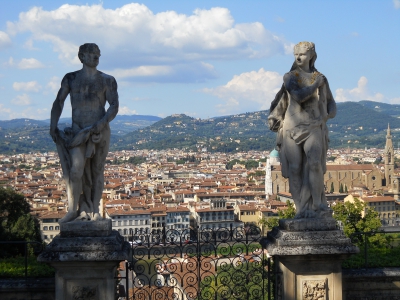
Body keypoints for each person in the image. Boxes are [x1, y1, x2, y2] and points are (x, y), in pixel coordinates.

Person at [50, 43, 119, 223]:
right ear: (82, 57)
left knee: (97, 171)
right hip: (77, 132)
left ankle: (95, 209)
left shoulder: (107, 80)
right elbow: (59, 102)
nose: (96, 56)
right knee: (76, 170)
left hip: (99, 131)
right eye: (91, 53)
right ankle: (73, 209)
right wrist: (53, 125)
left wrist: (101, 123)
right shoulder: (71, 78)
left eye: (98, 53)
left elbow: (114, 106)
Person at [268, 41, 336, 218]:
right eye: (295, 54)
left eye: (302, 54)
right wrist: (315, 86)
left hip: (314, 126)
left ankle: (317, 204)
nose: (298, 57)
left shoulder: (321, 77)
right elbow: (298, 96)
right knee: (295, 168)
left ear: (312, 56)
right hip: (292, 127)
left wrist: (329, 114)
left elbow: (330, 101)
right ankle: (301, 208)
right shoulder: (290, 77)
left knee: (314, 164)